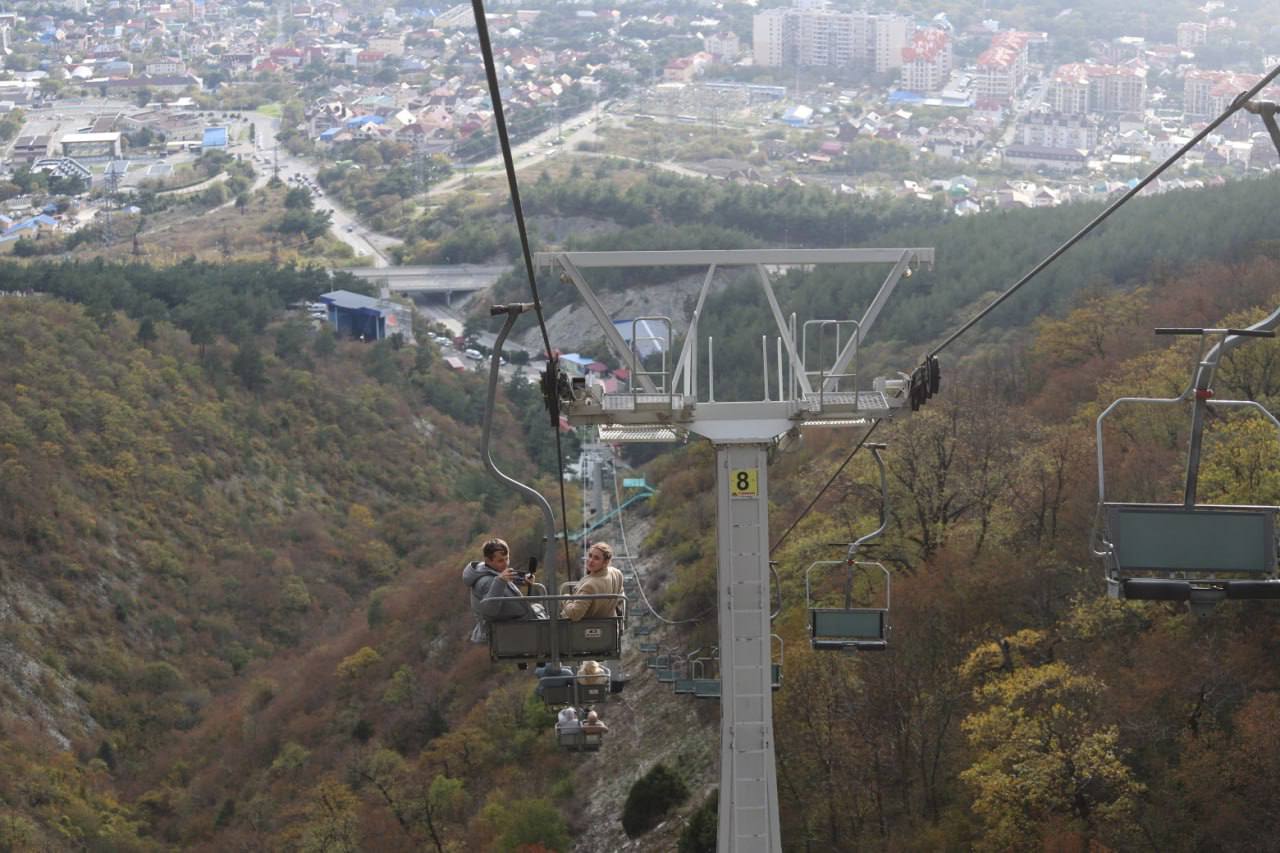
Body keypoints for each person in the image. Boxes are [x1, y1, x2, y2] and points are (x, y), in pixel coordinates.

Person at [463, 538, 534, 643]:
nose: (506, 564)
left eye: (507, 558)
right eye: (500, 560)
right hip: (507, 632)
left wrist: (523, 580)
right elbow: (490, 610)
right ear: (488, 560)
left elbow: (507, 583)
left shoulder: (492, 571)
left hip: (511, 628)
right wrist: (500, 581)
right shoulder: (486, 581)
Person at [561, 542, 624, 622]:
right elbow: (620, 596)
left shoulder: (590, 586)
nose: (590, 561)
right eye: (590, 556)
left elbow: (575, 614)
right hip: (609, 625)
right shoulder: (616, 573)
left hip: (585, 627)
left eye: (596, 558)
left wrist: (566, 599)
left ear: (605, 562)